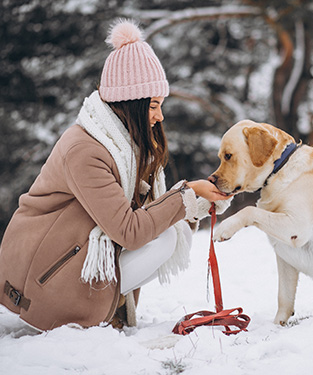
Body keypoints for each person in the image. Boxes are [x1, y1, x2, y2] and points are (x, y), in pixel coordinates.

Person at [0, 19, 232, 331]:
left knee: (173, 234)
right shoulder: (86, 150)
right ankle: (83, 310)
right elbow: (131, 231)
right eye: (152, 106)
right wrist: (187, 194)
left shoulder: (123, 145)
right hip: (41, 278)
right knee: (163, 240)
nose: (159, 116)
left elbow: (144, 217)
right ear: (131, 103)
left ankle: (110, 306)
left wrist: (199, 201)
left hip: (65, 257)